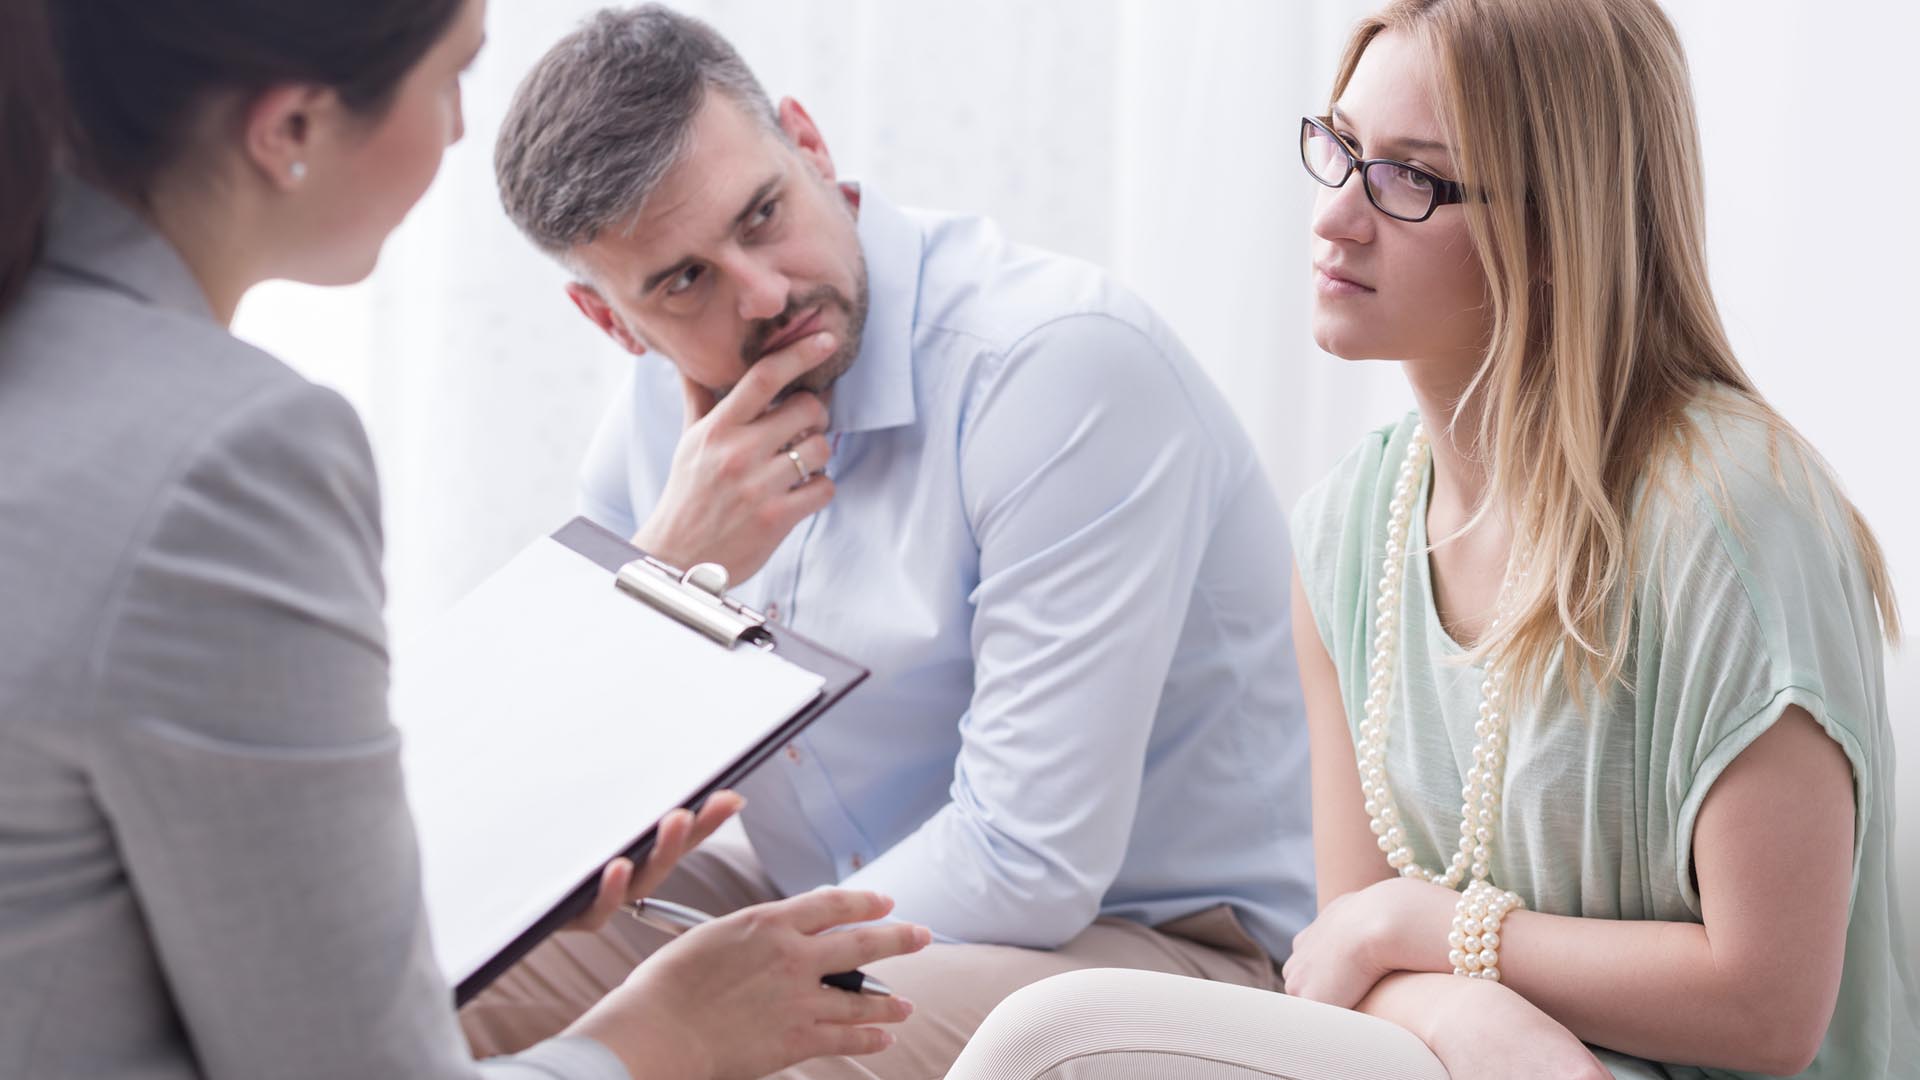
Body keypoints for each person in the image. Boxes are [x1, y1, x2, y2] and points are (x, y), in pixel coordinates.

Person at [945, 0, 1920, 1077]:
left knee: (1049, 1040)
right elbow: (1342, 964)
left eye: (1409, 178)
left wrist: (1429, 930)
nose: (1335, 218)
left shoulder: (1734, 517)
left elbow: (1768, 1006)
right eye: (1340, 148)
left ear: (1556, 231)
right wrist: (1463, 1013)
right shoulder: (1347, 530)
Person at [0, 0, 930, 1076]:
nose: (455, 132)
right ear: (292, 127)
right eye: (455, 77)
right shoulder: (230, 456)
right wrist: (665, 1031)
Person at [464, 5, 1318, 1076]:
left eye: (762, 214)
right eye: (684, 281)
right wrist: (669, 566)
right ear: (611, 321)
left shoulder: (1055, 369)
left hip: (1162, 945)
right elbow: (557, 799)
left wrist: (718, 995)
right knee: (414, 986)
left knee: (782, 1052)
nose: (765, 292)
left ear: (809, 144)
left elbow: (1026, 866)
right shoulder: (652, 430)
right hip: (832, 897)